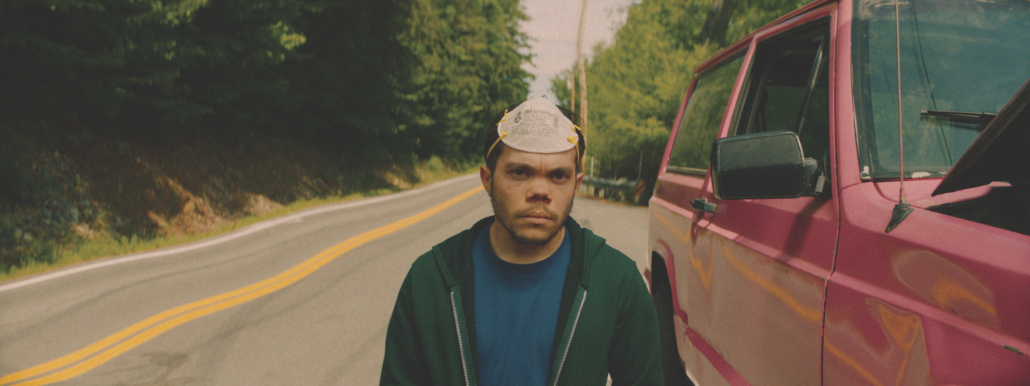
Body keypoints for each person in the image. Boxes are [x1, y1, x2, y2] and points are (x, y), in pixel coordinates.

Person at [380, 97, 664, 386]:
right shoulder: (431, 280)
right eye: (520, 172)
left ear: (576, 185)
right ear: (487, 179)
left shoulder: (616, 282)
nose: (540, 190)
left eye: (558, 176)